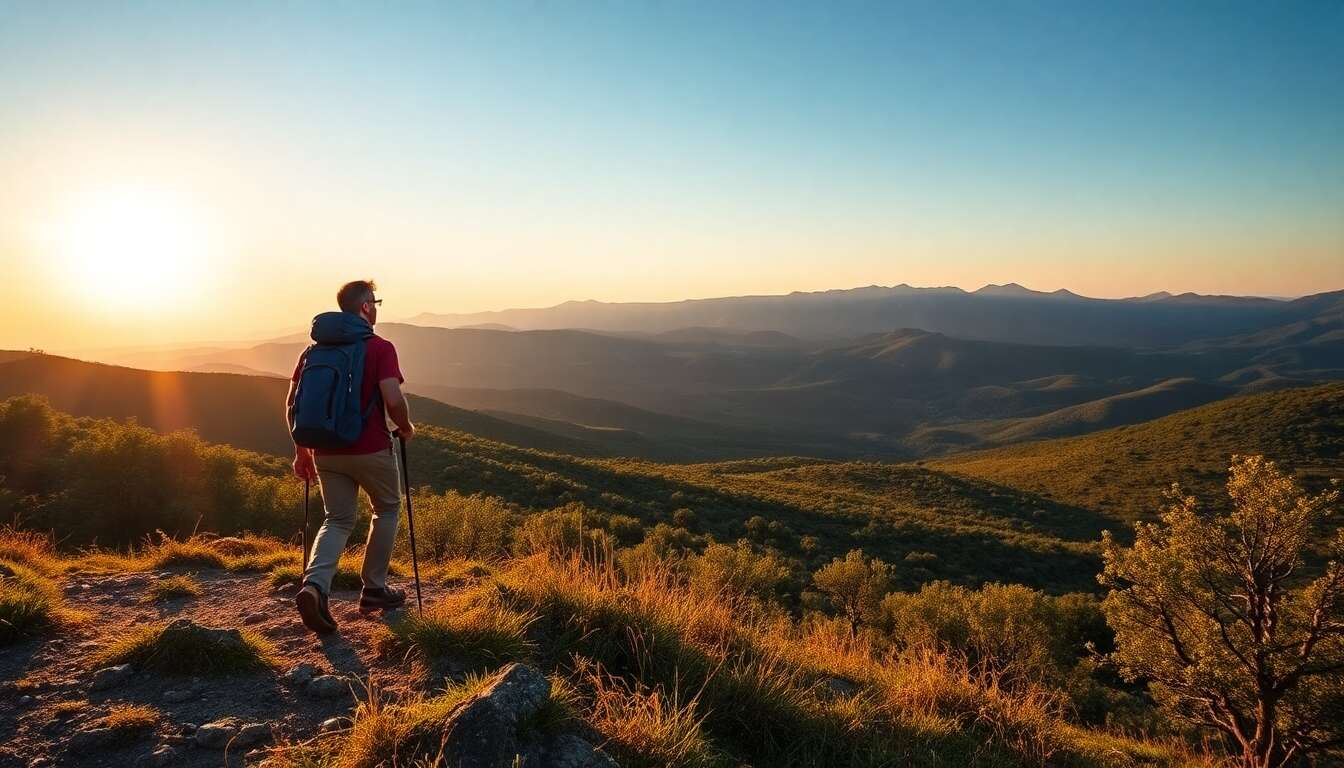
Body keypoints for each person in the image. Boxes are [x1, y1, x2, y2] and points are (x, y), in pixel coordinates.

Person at [286, 279, 415, 634]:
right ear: (365, 307)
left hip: (325, 450)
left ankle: (314, 586)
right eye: (375, 303)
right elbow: (392, 398)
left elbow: (293, 404)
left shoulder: (312, 352)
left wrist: (302, 451)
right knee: (387, 509)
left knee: (338, 519)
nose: (375, 308)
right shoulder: (380, 347)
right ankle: (374, 589)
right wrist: (406, 427)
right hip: (370, 448)